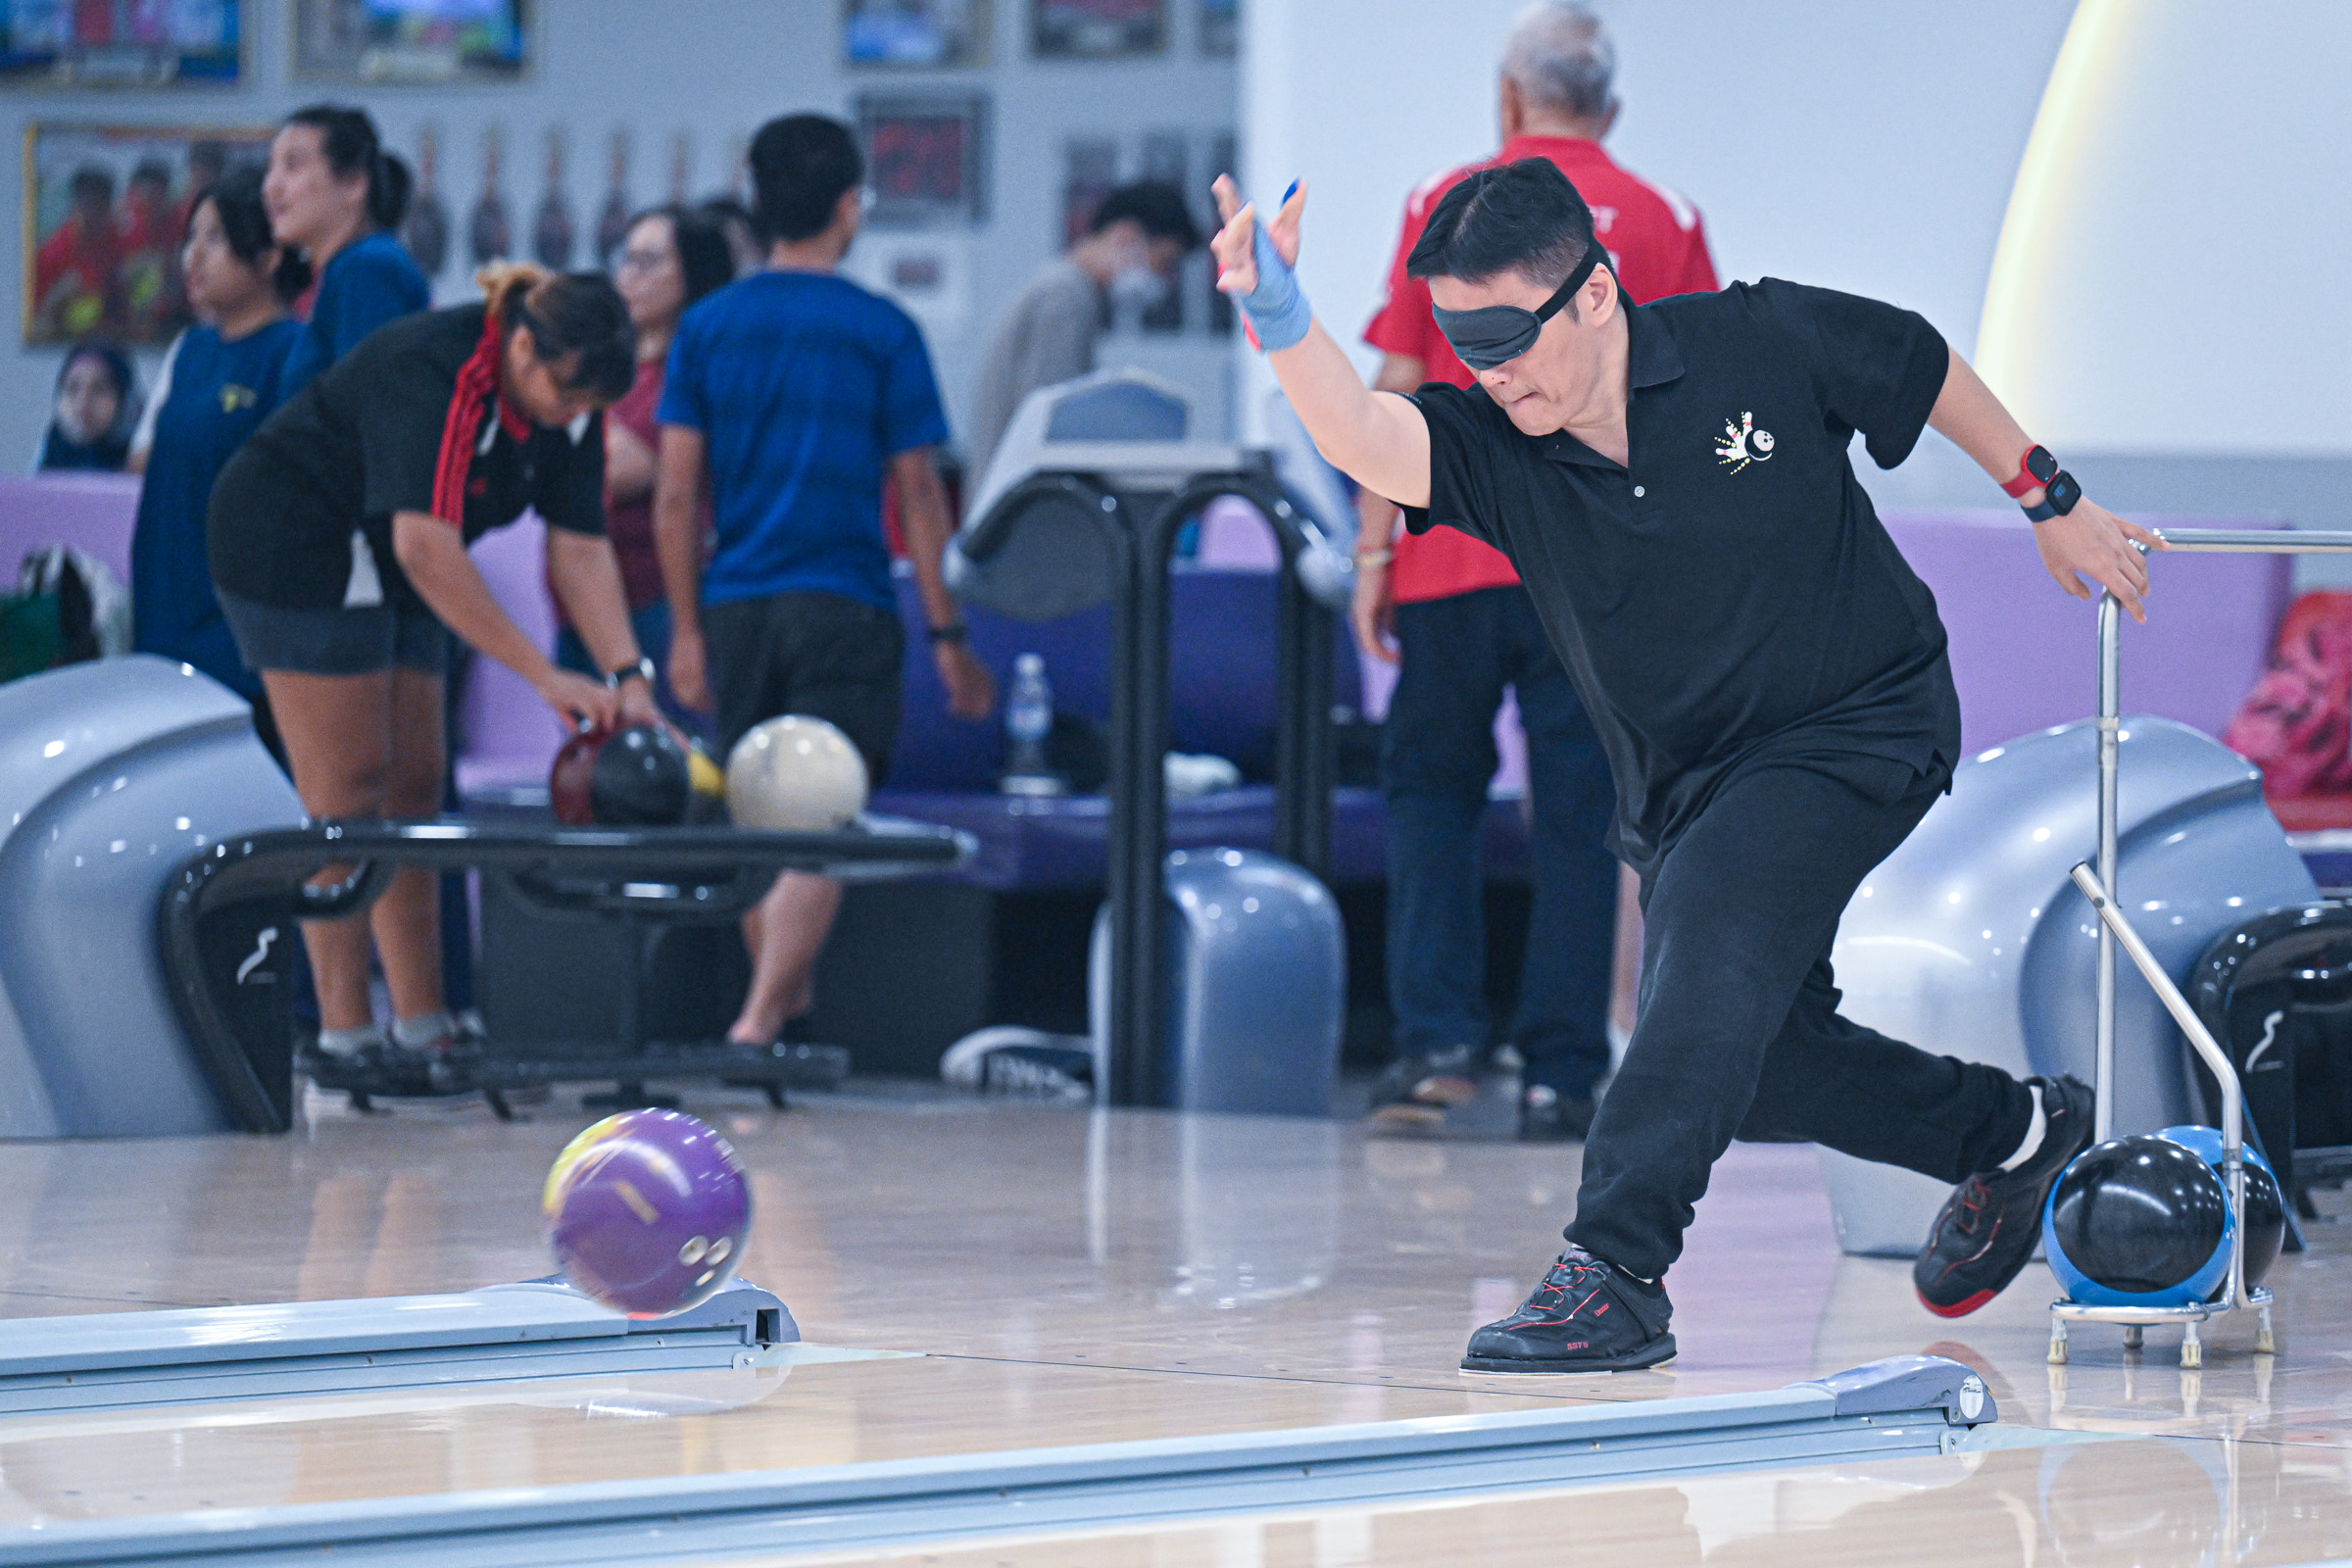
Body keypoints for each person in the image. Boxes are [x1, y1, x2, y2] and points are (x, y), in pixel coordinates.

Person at [1209, 159, 2150, 1370]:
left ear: (1593, 295)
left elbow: (1916, 360)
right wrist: (1277, 311)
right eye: (1463, 342)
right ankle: (2016, 1131)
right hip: (1688, 782)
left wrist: (2049, 496)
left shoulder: (1754, 339)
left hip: (1862, 719)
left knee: (1707, 957)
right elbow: (1358, 430)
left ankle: (1614, 1272)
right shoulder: (1502, 447)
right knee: (1753, 1068)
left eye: (1508, 336)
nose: (1491, 370)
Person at [1357, 2, 1719, 1143]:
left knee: (1431, 797)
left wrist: (1375, 547)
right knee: (1584, 814)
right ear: (1607, 106)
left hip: (1450, 552)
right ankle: (1563, 1070)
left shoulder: (1444, 205)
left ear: (1508, 99)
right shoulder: (1664, 218)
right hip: (1587, 570)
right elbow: (1685, 398)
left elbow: (1398, 390)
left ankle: (1436, 1047)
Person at [207, 264, 657, 1091]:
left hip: (389, 550)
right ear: (521, 345)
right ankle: (343, 1035)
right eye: (564, 393)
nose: (575, 416)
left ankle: (425, 1025)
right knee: (347, 788)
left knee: (415, 783)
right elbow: (425, 546)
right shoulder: (444, 368)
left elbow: (582, 546)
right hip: (295, 537)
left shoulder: (571, 399)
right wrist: (543, 676)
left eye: (590, 405)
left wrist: (628, 674)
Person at [657, 113, 995, 1050]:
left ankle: (781, 1007)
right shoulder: (881, 329)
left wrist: (684, 633)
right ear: (849, 207)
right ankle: (760, 1022)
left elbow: (677, 497)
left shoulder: (707, 328)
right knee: (822, 813)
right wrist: (949, 636)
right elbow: (920, 494)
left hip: (735, 609)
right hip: (842, 602)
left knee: (761, 807)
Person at [128, 167, 308, 757]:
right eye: (191, 238)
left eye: (214, 240)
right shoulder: (192, 350)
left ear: (268, 258)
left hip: (241, 621)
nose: (192, 258)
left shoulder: (292, 353)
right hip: (165, 595)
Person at [549, 204, 734, 695]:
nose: (628, 277)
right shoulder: (615, 369)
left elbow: (610, 469)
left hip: (651, 604)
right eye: (624, 259)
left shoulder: (688, 373)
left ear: (692, 273)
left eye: (648, 262)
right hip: (577, 601)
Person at [966, 180, 1202, 480]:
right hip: (1019, 508)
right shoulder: (1066, 298)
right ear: (1125, 237)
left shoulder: (1068, 293)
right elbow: (1049, 434)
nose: (1168, 281)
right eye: (1166, 263)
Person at [264, 105, 431, 395]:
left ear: (354, 184)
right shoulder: (345, 268)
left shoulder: (367, 267)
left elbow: (365, 411)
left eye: (292, 166)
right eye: (271, 168)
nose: (271, 187)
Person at [33, 167, 122, 340]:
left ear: (108, 208)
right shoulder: (51, 253)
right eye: (86, 205)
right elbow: (35, 325)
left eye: (99, 207)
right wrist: (56, 300)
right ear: (74, 205)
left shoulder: (116, 241)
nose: (92, 214)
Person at [35, 341, 137, 472]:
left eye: (99, 388)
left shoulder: (143, 466)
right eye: (73, 388)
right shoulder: (49, 452)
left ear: (124, 401)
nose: (83, 400)